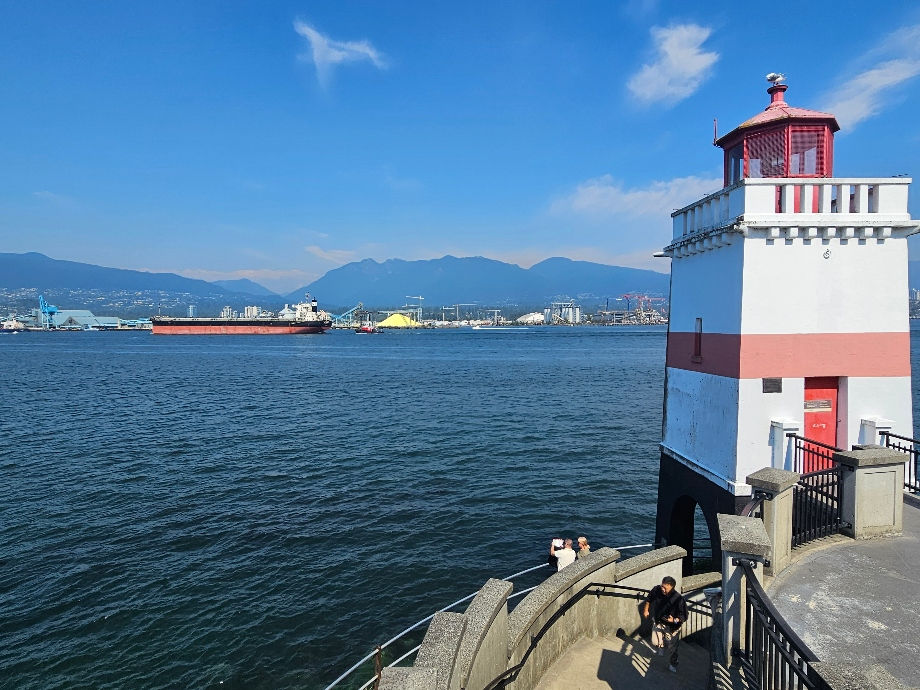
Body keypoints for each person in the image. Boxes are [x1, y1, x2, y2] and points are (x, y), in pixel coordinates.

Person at [642, 576, 687, 672]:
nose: (662, 589)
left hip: (672, 627)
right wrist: (646, 610)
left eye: (665, 587)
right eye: (662, 586)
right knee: (654, 642)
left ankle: (673, 664)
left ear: (671, 586)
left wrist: (674, 620)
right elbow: (649, 599)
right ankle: (661, 646)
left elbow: (684, 616)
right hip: (658, 621)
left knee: (672, 649)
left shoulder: (678, 599)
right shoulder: (657, 589)